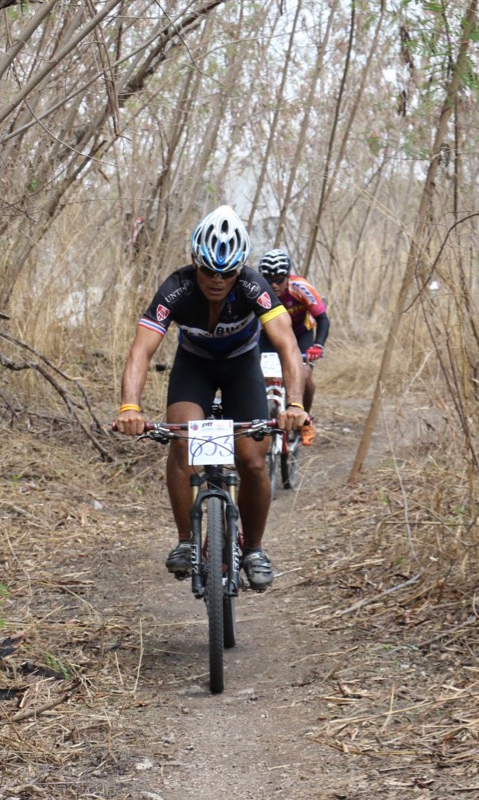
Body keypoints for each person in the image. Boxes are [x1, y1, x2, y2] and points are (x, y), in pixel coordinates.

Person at [117, 205, 310, 590]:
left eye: (228, 273)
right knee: (182, 443)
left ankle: (253, 549)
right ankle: (186, 542)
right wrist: (130, 407)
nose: (218, 281)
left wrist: (294, 404)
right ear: (195, 262)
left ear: (241, 268)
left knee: (252, 460)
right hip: (195, 368)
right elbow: (141, 350)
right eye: (208, 271)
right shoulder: (176, 288)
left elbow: (288, 345)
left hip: (242, 369)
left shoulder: (254, 286)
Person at [257, 248, 329, 445]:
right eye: (268, 279)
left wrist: (318, 345)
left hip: (301, 335)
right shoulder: (257, 290)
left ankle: (305, 419)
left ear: (288, 276)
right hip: (271, 335)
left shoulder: (301, 287)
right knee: (258, 374)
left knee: (304, 375)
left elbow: (322, 318)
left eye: (279, 279)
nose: (273, 284)